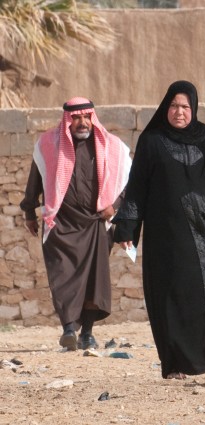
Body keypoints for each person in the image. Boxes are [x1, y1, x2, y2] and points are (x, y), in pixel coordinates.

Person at [113, 81, 205, 380]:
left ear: (193, 109)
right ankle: (176, 362)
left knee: (204, 292)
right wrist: (127, 225)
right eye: (174, 106)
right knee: (170, 294)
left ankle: (201, 352)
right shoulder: (152, 140)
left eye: (185, 107)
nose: (179, 112)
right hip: (165, 234)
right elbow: (137, 187)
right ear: (165, 106)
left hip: (204, 231)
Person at [20, 97, 131, 351]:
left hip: (96, 224)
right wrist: (29, 211)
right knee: (63, 275)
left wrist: (114, 207)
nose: (82, 122)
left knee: (94, 279)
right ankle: (69, 328)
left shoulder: (112, 147)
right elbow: (36, 179)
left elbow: (129, 183)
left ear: (93, 118)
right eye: (76, 118)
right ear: (67, 120)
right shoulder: (49, 144)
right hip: (61, 223)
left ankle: (88, 333)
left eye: (86, 117)